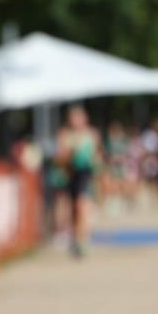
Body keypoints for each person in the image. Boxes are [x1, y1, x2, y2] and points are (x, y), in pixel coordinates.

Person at [58, 104, 99, 257]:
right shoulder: (65, 134)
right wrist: (70, 154)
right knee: (73, 208)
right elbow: (60, 157)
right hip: (71, 174)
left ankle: (82, 239)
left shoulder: (91, 133)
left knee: (81, 205)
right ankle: (76, 237)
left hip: (86, 174)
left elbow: (96, 155)